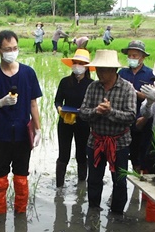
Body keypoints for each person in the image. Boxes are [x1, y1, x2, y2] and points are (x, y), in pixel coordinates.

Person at [0, 30, 42, 214]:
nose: (12, 52)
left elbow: (33, 104)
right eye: (7, 49)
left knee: (22, 176)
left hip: (23, 135)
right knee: (0, 175)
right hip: (0, 135)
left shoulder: (28, 73)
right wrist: (0, 103)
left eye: (15, 48)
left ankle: (20, 212)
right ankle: (0, 212)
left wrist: (37, 129)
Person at [79, 50, 136, 214]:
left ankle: (117, 214)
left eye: (102, 69)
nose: (98, 73)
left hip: (119, 144)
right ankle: (93, 210)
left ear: (113, 70)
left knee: (119, 180)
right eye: (97, 69)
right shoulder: (93, 87)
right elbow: (83, 112)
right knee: (94, 179)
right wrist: (97, 111)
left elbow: (131, 117)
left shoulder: (127, 89)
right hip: (95, 141)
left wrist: (110, 112)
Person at [54, 49, 93, 187]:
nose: (78, 65)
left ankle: (81, 185)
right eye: (75, 62)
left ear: (86, 66)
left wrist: (84, 112)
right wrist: (59, 109)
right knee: (63, 154)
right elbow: (58, 100)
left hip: (83, 123)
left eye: (81, 63)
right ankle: (59, 185)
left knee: (82, 154)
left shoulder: (91, 84)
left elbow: (93, 105)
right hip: (65, 121)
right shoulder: (65, 82)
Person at [118, 40, 155, 173]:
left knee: (139, 156)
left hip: (143, 119)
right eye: (130, 56)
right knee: (122, 153)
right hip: (124, 119)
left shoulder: (151, 75)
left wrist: (134, 93)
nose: (132, 58)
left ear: (143, 57)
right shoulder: (122, 73)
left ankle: (137, 186)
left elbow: (154, 97)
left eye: (135, 56)